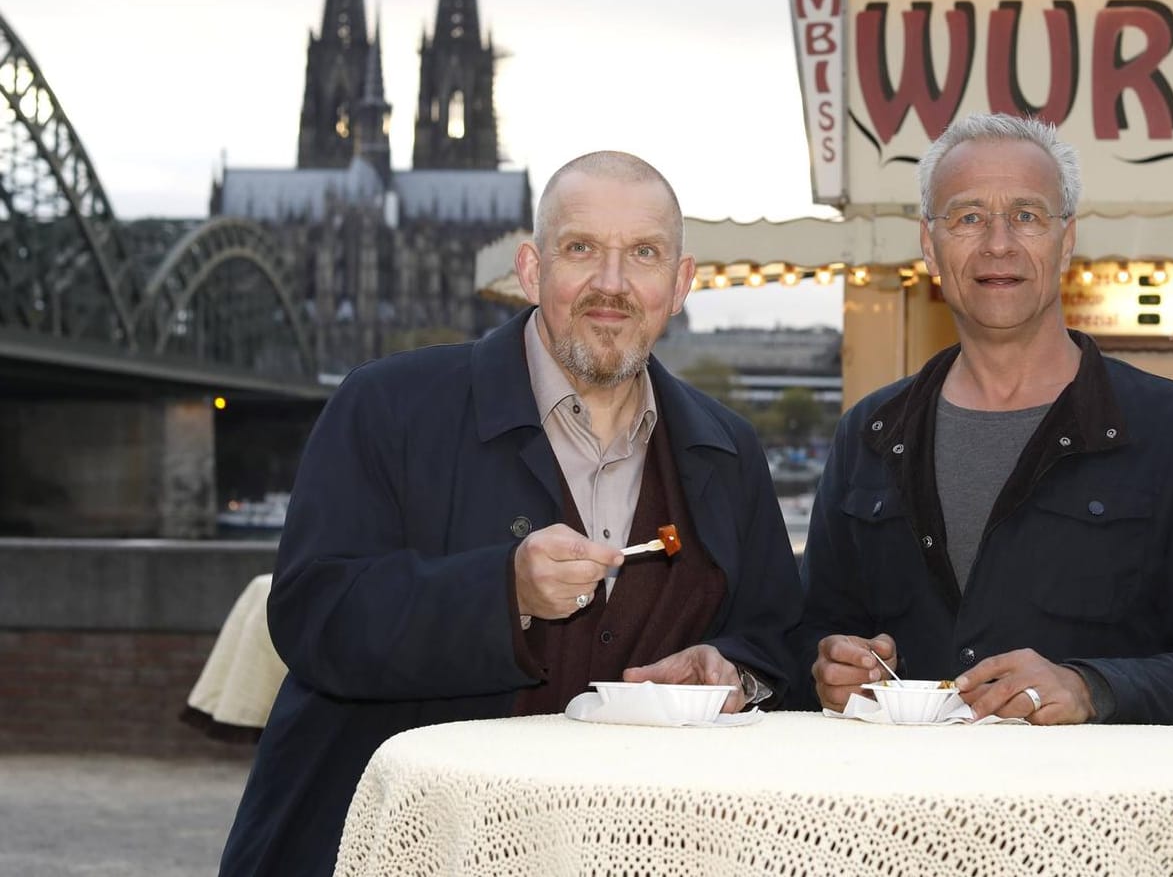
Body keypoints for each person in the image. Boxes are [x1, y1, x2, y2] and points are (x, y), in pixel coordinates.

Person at [220, 151, 802, 875]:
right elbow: (316, 615)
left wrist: (735, 673)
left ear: (681, 284)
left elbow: (778, 637)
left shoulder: (728, 450)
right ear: (531, 270)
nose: (612, 284)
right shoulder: (387, 406)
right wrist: (506, 594)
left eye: (644, 254)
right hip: (404, 850)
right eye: (581, 248)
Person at [792, 113, 1173, 727]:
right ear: (929, 244)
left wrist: (1091, 688)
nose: (998, 243)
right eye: (968, 217)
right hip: (909, 809)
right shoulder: (870, 434)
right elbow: (810, 637)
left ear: (1067, 238)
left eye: (1027, 215)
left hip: (1103, 814)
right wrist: (831, 666)